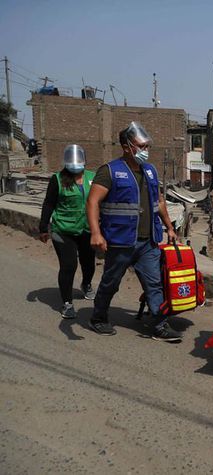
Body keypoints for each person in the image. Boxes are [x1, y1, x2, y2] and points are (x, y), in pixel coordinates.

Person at [86, 122, 180, 341]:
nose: (145, 151)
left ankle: (159, 324)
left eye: (147, 146)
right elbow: (92, 202)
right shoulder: (109, 171)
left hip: (148, 242)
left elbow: (159, 201)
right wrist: (95, 233)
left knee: (154, 283)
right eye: (141, 146)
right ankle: (98, 318)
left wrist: (169, 227)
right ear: (126, 146)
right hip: (120, 241)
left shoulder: (150, 170)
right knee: (111, 282)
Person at [38, 145, 96, 319]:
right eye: (72, 163)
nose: (76, 166)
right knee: (69, 265)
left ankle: (86, 284)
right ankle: (67, 303)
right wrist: (43, 227)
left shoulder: (93, 178)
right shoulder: (57, 179)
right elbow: (49, 203)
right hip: (62, 230)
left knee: (88, 263)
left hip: (87, 229)